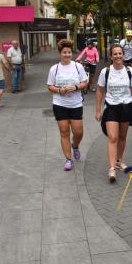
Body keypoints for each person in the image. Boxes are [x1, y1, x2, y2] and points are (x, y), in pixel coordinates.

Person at [95, 44, 132, 182]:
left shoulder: (129, 71)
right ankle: (111, 168)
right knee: (113, 137)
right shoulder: (106, 72)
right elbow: (99, 90)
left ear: (123, 55)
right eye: (115, 54)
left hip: (126, 107)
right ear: (111, 56)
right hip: (111, 107)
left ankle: (118, 160)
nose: (118, 56)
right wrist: (98, 110)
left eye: (120, 53)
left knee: (122, 136)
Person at [46, 39, 88, 171]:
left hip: (75, 104)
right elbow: (50, 86)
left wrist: (75, 87)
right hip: (60, 104)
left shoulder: (78, 66)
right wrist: (59, 90)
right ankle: (68, 159)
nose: (67, 55)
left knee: (78, 132)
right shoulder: (54, 69)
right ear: (60, 53)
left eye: (69, 52)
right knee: (64, 132)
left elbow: (84, 82)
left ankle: (75, 146)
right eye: (64, 52)